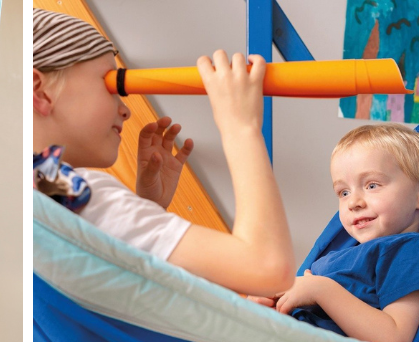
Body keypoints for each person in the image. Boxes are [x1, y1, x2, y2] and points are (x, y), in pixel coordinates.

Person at [32, 8, 295, 296]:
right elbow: (268, 268)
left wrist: (147, 207)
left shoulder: (40, 193)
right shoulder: (76, 195)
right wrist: (241, 127)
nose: (125, 109)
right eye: (111, 85)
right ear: (40, 91)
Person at [269, 124, 419, 342]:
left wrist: (320, 289)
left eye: (372, 185)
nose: (353, 203)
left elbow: (394, 338)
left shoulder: (409, 250)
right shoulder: (349, 250)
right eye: (344, 192)